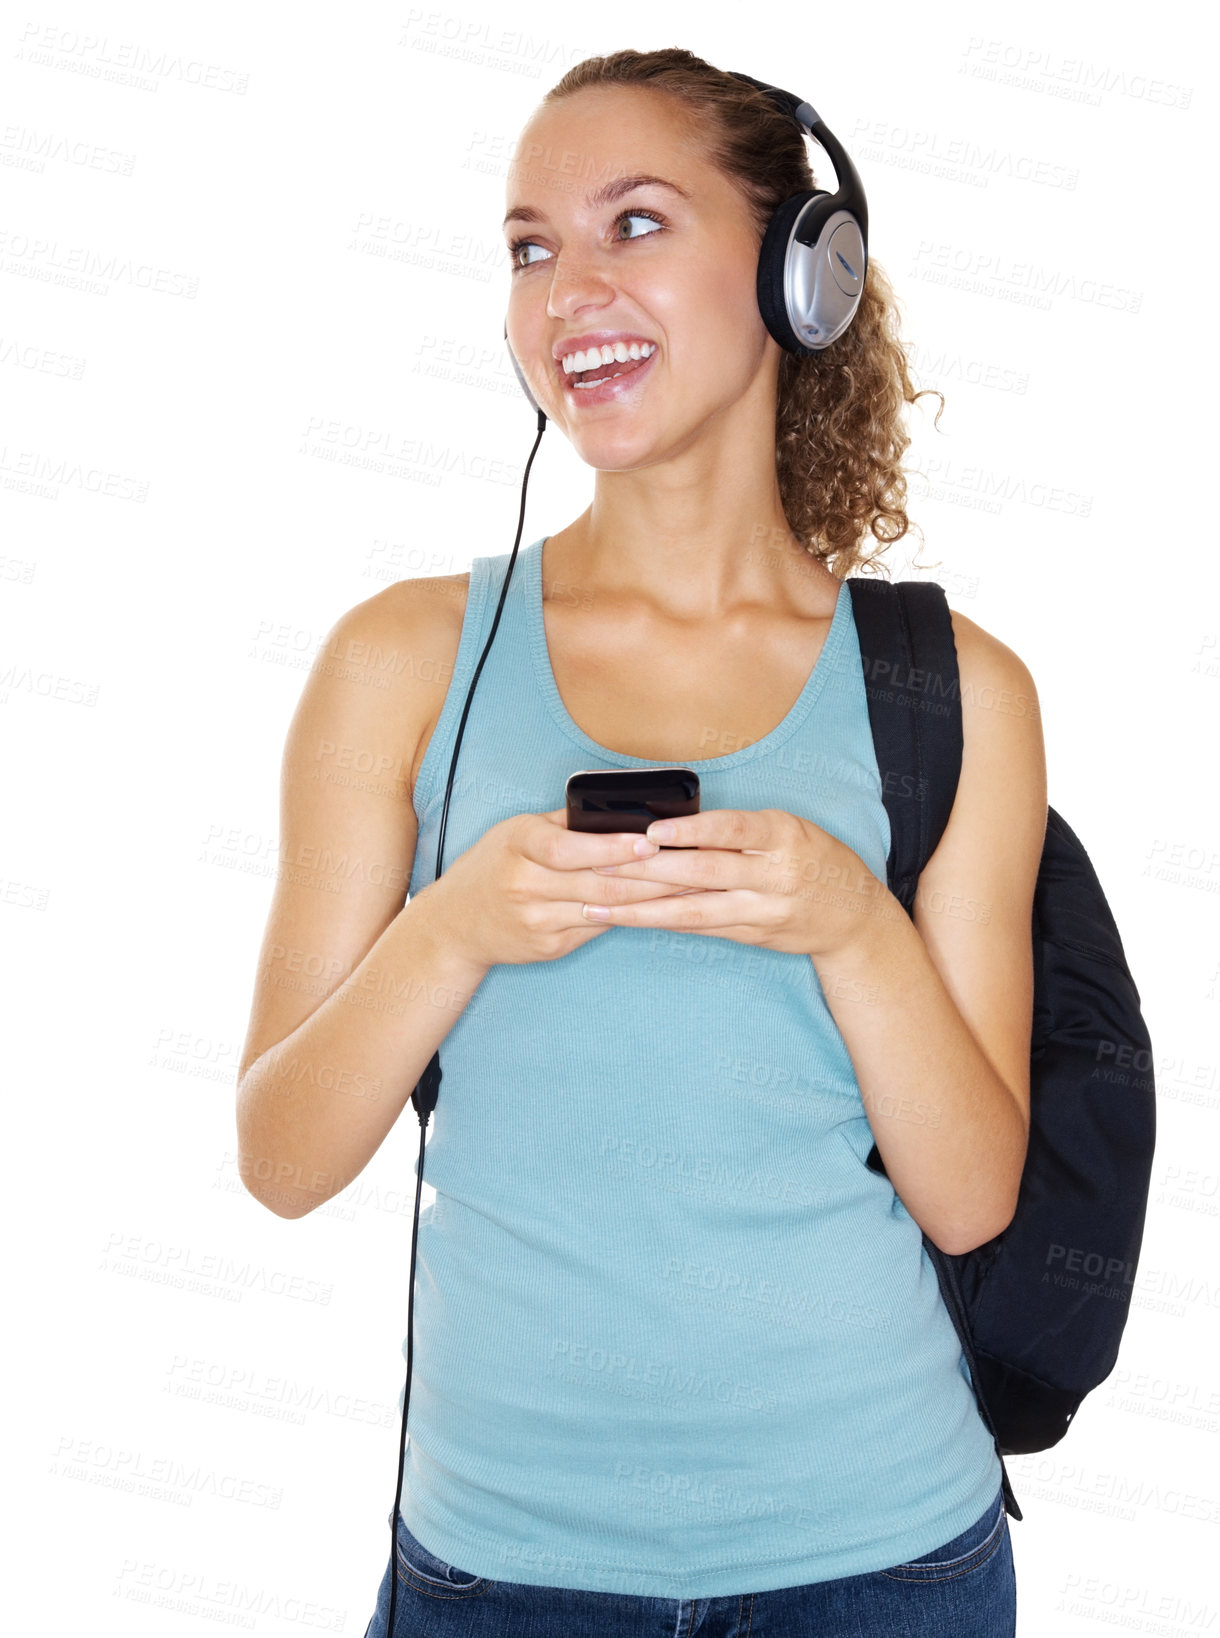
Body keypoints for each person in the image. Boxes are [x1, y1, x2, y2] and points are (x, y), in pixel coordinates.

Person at [237, 46, 1044, 1638]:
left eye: (634, 225)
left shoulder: (957, 689)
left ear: (799, 273)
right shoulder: (406, 661)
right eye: (531, 247)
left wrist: (849, 922)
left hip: (884, 1558)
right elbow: (280, 1158)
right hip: (506, 1566)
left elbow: (972, 1199)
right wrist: (454, 924)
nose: (566, 291)